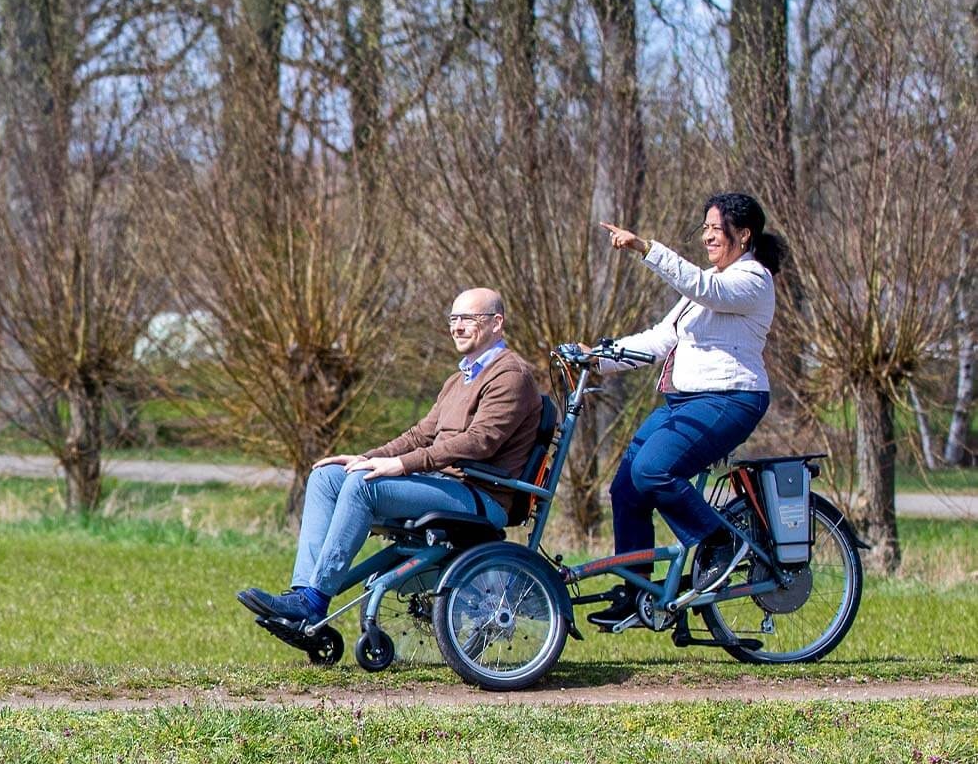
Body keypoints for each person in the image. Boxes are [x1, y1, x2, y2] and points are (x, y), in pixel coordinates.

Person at [238, 287, 543, 625]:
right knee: (327, 478)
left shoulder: (511, 375)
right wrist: (365, 457)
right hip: (442, 484)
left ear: (496, 322)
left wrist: (401, 465)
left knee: (364, 487)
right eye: (453, 319)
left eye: (467, 319)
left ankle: (313, 601)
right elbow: (420, 435)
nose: (456, 327)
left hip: (481, 495)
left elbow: (479, 442)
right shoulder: (458, 379)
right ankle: (301, 594)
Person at [586, 193, 784, 628]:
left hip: (732, 398)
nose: (708, 236)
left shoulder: (751, 279)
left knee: (653, 469)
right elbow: (660, 340)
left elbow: (703, 288)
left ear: (743, 234)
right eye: (706, 229)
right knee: (626, 487)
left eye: (716, 229)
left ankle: (720, 543)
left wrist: (645, 248)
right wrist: (596, 357)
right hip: (686, 399)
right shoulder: (706, 286)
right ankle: (638, 592)